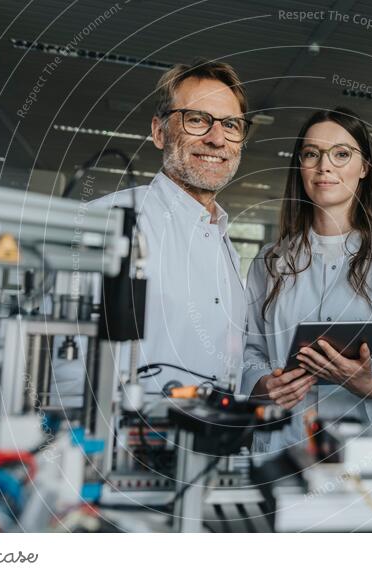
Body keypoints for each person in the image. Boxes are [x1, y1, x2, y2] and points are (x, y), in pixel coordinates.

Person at [241, 107, 372, 453]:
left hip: (366, 452)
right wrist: (262, 384)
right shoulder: (269, 261)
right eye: (312, 154)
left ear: (364, 167)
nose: (325, 166)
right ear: (300, 167)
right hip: (281, 444)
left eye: (341, 154)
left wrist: (370, 385)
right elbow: (250, 352)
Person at [53, 59, 250, 401]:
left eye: (231, 124)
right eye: (198, 119)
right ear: (159, 132)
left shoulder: (224, 242)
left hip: (209, 445)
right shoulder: (105, 222)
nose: (217, 138)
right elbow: (62, 368)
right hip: (122, 444)